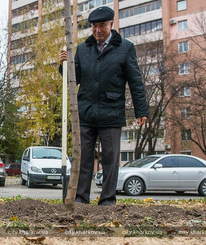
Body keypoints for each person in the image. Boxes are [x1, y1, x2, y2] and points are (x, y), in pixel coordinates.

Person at [59, 7, 148, 205]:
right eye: (94, 26)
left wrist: (141, 110)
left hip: (112, 112)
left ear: (111, 25)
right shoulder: (82, 49)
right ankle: (81, 199)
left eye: (101, 26)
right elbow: (74, 79)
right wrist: (64, 66)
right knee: (82, 160)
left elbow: (135, 81)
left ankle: (107, 200)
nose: (97, 30)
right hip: (86, 113)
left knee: (110, 160)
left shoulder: (125, 48)